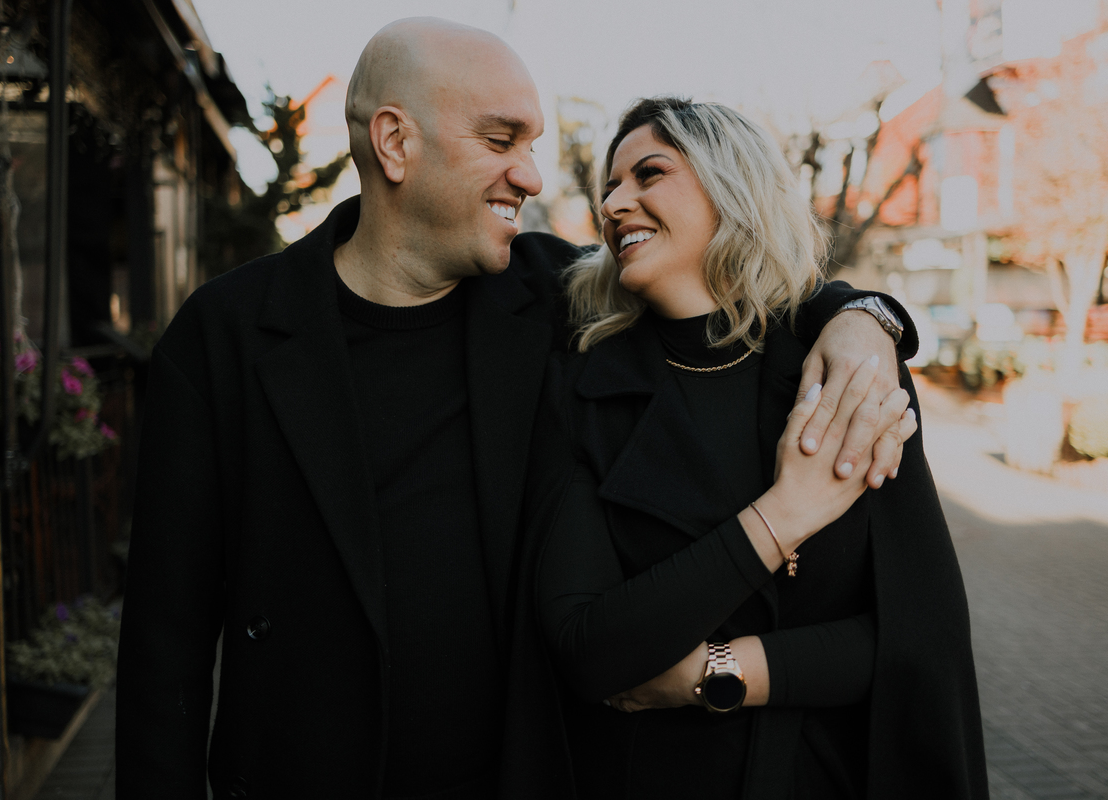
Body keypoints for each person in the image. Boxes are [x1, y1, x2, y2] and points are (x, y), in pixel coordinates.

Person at [116, 20, 918, 800]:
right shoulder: (226, 337)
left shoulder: (553, 298)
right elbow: (164, 642)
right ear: (395, 142)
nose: (531, 177)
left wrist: (862, 317)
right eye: (502, 141)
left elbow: (726, 279)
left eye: (532, 147)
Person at [529, 97, 988, 799]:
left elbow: (919, 634)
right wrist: (784, 515)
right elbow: (589, 649)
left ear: (731, 185)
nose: (615, 203)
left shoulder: (843, 372)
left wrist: (718, 671)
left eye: (649, 174)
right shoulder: (584, 394)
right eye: (610, 188)